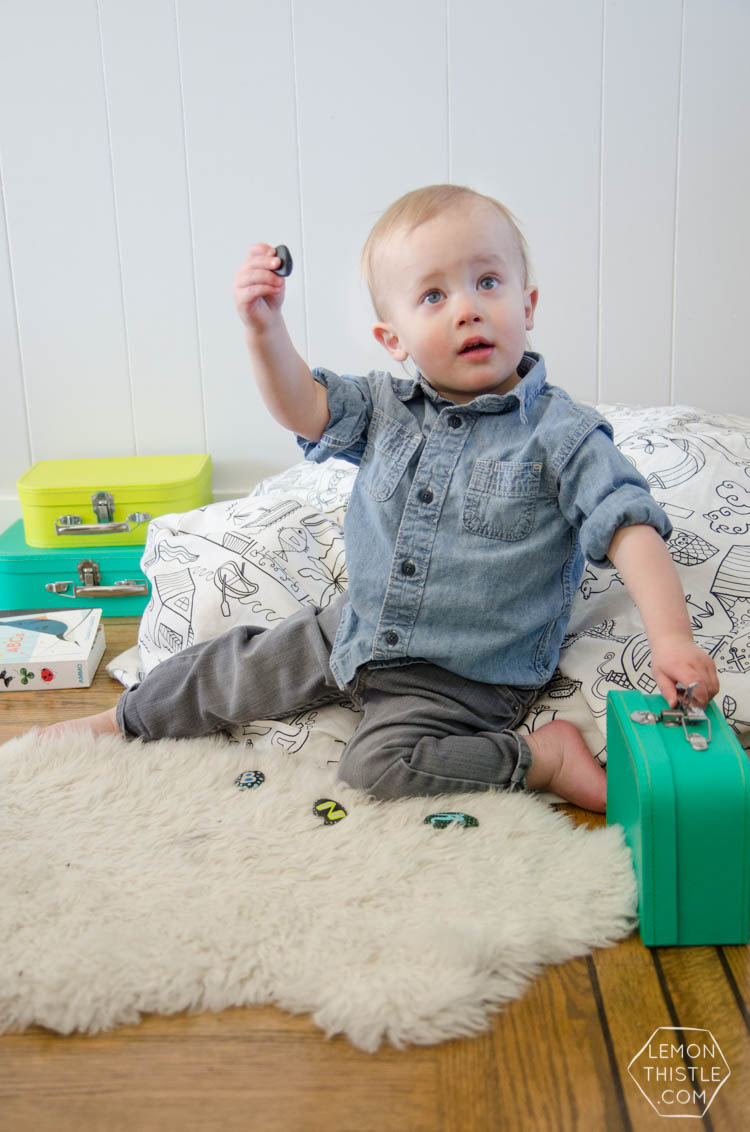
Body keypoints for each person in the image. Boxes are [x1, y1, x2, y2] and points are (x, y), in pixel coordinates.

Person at [40, 184, 719, 812]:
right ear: (392, 340)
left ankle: (539, 759)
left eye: (488, 282)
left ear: (528, 305)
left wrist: (672, 641)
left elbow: (629, 526)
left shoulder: (561, 435)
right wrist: (263, 330)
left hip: (463, 676)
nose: (468, 307)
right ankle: (119, 720)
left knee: (377, 768)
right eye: (433, 297)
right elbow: (304, 407)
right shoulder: (385, 408)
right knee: (226, 666)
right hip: (352, 629)